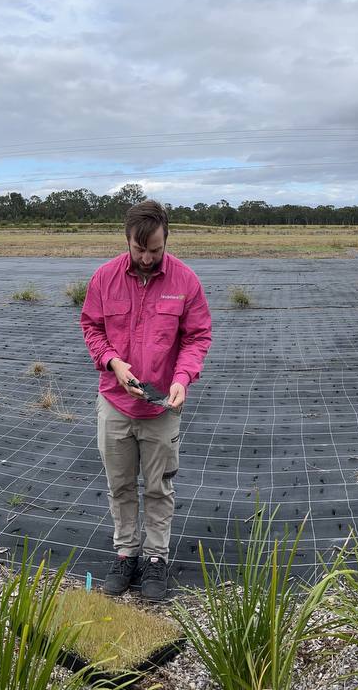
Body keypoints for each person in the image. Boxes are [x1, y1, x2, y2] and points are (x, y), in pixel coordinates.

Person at [79, 199, 212, 601]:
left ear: (165, 239)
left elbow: (197, 337)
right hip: (115, 403)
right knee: (120, 485)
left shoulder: (186, 282)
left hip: (162, 407)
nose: (149, 258)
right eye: (140, 251)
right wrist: (113, 362)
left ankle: (155, 558)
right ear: (128, 242)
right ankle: (126, 553)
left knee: (158, 487)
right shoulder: (104, 278)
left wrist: (183, 378)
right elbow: (91, 327)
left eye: (156, 250)